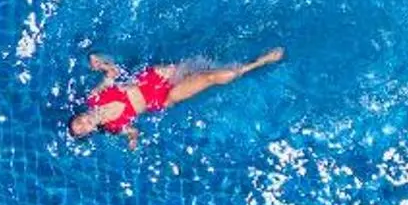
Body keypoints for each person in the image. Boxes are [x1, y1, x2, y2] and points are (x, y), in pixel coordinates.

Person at [70, 48, 285, 141]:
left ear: (81, 114)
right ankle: (259, 63)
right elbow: (133, 132)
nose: (83, 124)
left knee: (203, 62)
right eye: (82, 130)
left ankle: (229, 57)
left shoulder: (94, 97)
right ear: (91, 131)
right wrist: (133, 142)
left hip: (153, 78)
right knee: (211, 78)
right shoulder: (114, 127)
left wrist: (100, 63)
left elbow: (113, 73)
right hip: (164, 98)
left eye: (78, 122)